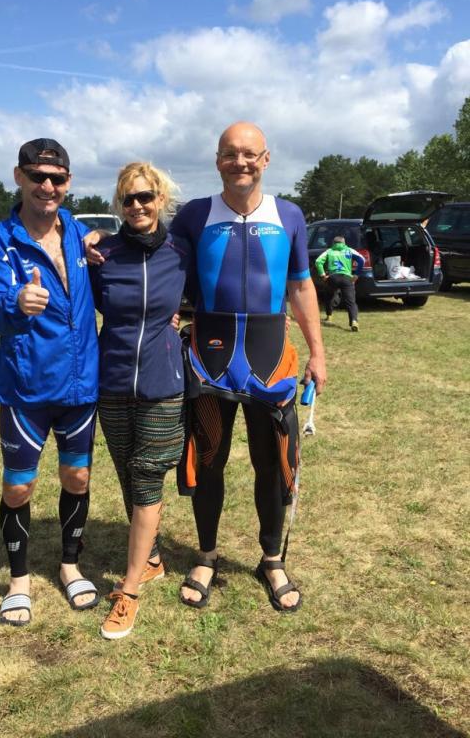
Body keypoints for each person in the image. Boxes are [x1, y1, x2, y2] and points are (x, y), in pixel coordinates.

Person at [170, 122, 327, 612]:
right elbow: (159, 264)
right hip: (210, 357)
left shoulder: (289, 215)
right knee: (208, 459)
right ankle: (206, 555)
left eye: (249, 154)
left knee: (273, 463)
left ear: (265, 159)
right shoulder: (194, 215)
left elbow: (300, 285)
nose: (240, 162)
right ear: (218, 160)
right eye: (229, 153)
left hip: (269, 357)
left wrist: (318, 352)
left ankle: (272, 559)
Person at [0, 138, 100, 627]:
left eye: (57, 178)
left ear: (68, 182)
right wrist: (15, 302)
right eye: (37, 176)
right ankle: (19, 580)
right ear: (19, 177)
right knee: (18, 487)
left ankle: (70, 565)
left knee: (78, 477)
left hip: (80, 385)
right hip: (25, 388)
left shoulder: (79, 233)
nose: (47, 186)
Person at [89, 162, 191, 639]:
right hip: (111, 381)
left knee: (148, 475)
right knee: (128, 472)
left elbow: (214, 292)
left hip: (163, 382)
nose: (137, 206)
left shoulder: (181, 252)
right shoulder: (104, 255)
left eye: (145, 196)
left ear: (161, 200)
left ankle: (129, 590)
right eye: (128, 199)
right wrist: (86, 239)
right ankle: (150, 558)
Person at [315, 235, 365, 331]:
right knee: (351, 301)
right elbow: (362, 259)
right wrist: (356, 274)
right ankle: (354, 321)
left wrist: (323, 275)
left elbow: (318, 261)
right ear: (344, 243)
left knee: (329, 296)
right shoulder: (349, 250)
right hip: (347, 278)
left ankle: (329, 316)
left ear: (333, 243)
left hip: (333, 277)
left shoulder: (329, 251)